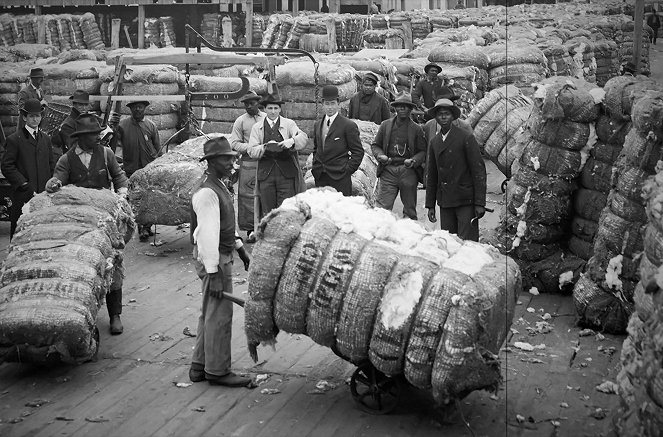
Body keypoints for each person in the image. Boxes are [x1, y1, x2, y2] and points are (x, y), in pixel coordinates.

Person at [44, 113, 129, 335]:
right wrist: (53, 184)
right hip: (79, 224)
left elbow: (119, 177)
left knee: (113, 263)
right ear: (81, 137)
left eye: (98, 134)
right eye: (93, 135)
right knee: (80, 267)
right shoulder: (66, 159)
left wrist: (121, 196)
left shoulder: (106, 153)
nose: (98, 138)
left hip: (104, 220)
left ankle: (115, 315)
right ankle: (79, 315)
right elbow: (58, 180)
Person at [188, 137, 251, 387]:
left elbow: (224, 225)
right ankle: (218, 370)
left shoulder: (219, 186)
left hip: (221, 254)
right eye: (226, 159)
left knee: (210, 313)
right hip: (214, 260)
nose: (232, 163)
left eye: (232, 158)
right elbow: (206, 235)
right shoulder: (207, 193)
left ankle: (199, 365)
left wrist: (241, 249)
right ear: (212, 162)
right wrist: (213, 273)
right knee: (220, 316)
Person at [425, 99, 486, 242]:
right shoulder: (435, 142)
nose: (444, 117)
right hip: (446, 200)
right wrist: (430, 205)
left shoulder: (465, 137)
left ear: (453, 116)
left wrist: (479, 203)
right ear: (436, 118)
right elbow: (432, 175)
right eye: (440, 114)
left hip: (465, 199)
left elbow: (478, 171)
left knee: (467, 243)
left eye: (447, 114)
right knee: (449, 241)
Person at [1, 98, 56, 239]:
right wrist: (23, 183)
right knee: (21, 232)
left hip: (43, 194)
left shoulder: (46, 139)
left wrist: (50, 184)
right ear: (24, 117)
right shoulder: (15, 139)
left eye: (37, 115)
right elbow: (7, 166)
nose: (35, 119)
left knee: (41, 233)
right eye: (31, 116)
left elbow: (51, 164)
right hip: (24, 195)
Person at [246, 94, 308, 218]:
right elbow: (251, 150)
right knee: (268, 213)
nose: (273, 111)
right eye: (270, 108)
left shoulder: (289, 124)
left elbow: (303, 137)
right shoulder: (257, 128)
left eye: (275, 108)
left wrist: (292, 141)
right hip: (266, 175)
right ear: (264, 109)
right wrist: (264, 147)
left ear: (280, 109)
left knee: (286, 210)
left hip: (286, 175)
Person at [371, 93, 426, 220]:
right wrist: (380, 156)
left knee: (409, 210)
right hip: (388, 170)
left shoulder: (416, 129)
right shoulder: (385, 125)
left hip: (407, 171)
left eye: (405, 107)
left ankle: (410, 236)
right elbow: (375, 145)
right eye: (399, 106)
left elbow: (423, 151)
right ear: (395, 108)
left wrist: (413, 160)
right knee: (382, 209)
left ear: (410, 109)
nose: (402, 109)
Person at [115, 100, 161, 242]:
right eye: (134, 108)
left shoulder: (151, 126)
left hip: (148, 168)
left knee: (149, 198)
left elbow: (158, 148)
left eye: (140, 107)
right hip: (131, 169)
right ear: (130, 110)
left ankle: (146, 226)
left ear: (145, 109)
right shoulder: (122, 126)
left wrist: (158, 163)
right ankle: (140, 227)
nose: (137, 109)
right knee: (135, 199)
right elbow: (113, 143)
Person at [312, 85, 365, 196]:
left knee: (340, 210)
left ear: (338, 103)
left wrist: (347, 170)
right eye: (327, 104)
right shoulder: (318, 124)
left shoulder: (348, 125)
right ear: (322, 104)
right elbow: (316, 148)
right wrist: (316, 166)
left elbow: (358, 152)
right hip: (321, 176)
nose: (330, 107)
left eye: (332, 103)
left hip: (339, 178)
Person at [229, 91, 265, 242]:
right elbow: (234, 143)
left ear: (258, 103)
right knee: (248, 196)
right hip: (249, 163)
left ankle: (265, 227)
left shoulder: (266, 117)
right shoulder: (240, 121)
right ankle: (251, 229)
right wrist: (251, 147)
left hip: (266, 161)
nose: (249, 107)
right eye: (246, 105)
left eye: (252, 103)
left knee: (266, 193)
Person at [51, 90, 91, 160]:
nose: (84, 108)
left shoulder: (87, 120)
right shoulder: (67, 125)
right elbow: (75, 148)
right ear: (74, 104)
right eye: (81, 104)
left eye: (86, 105)